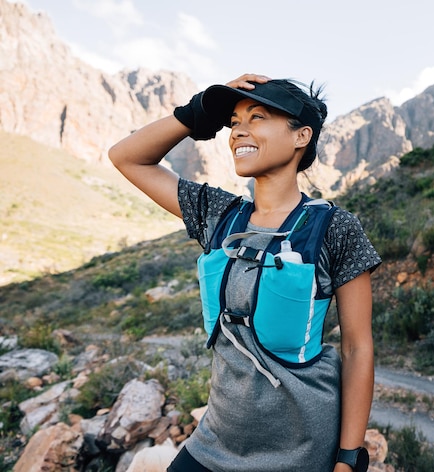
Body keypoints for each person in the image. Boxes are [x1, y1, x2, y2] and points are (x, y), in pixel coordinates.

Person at [108, 73, 381, 472]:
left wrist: (348, 458)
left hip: (302, 453)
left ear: (301, 135)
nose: (238, 132)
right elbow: (126, 156)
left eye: (257, 118)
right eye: (234, 122)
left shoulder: (335, 229)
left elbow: (358, 348)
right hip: (215, 442)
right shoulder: (218, 215)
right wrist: (199, 110)